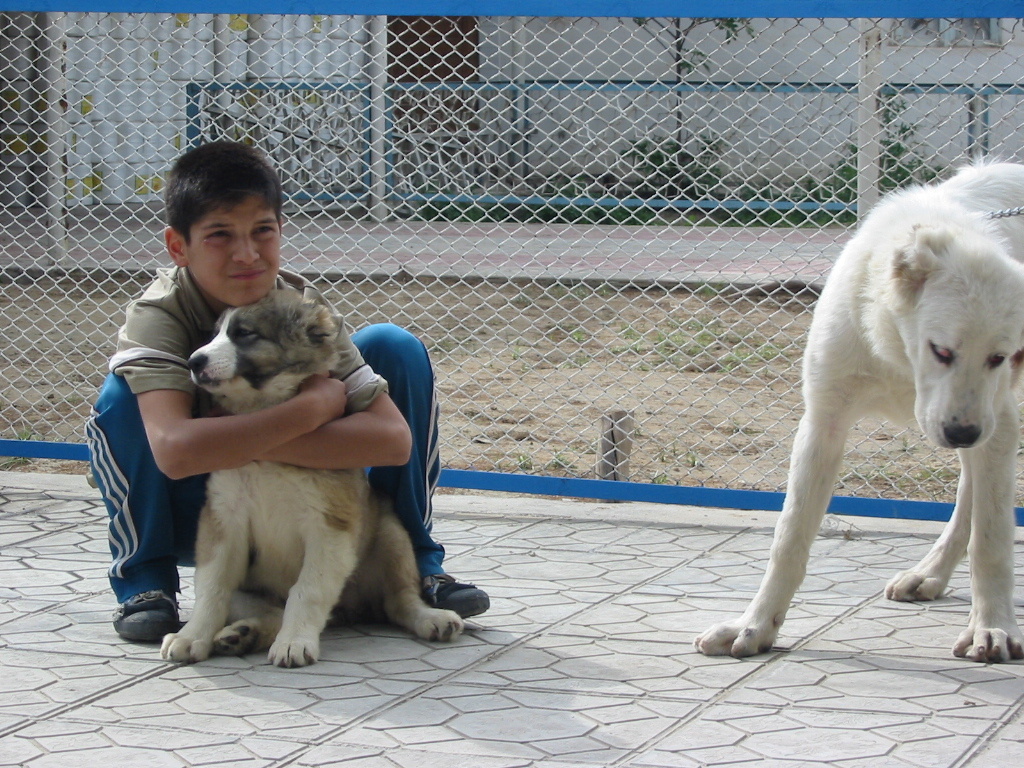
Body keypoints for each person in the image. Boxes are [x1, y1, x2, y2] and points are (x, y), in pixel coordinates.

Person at [85, 140, 489, 642]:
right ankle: (144, 583)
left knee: (393, 347)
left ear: (281, 231)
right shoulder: (159, 315)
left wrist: (232, 436)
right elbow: (174, 451)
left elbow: (391, 440)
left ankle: (418, 565)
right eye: (219, 235)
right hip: (204, 513)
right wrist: (310, 410)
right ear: (177, 246)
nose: (247, 254)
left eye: (263, 231)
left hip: (300, 511)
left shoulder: (295, 309)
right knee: (120, 399)